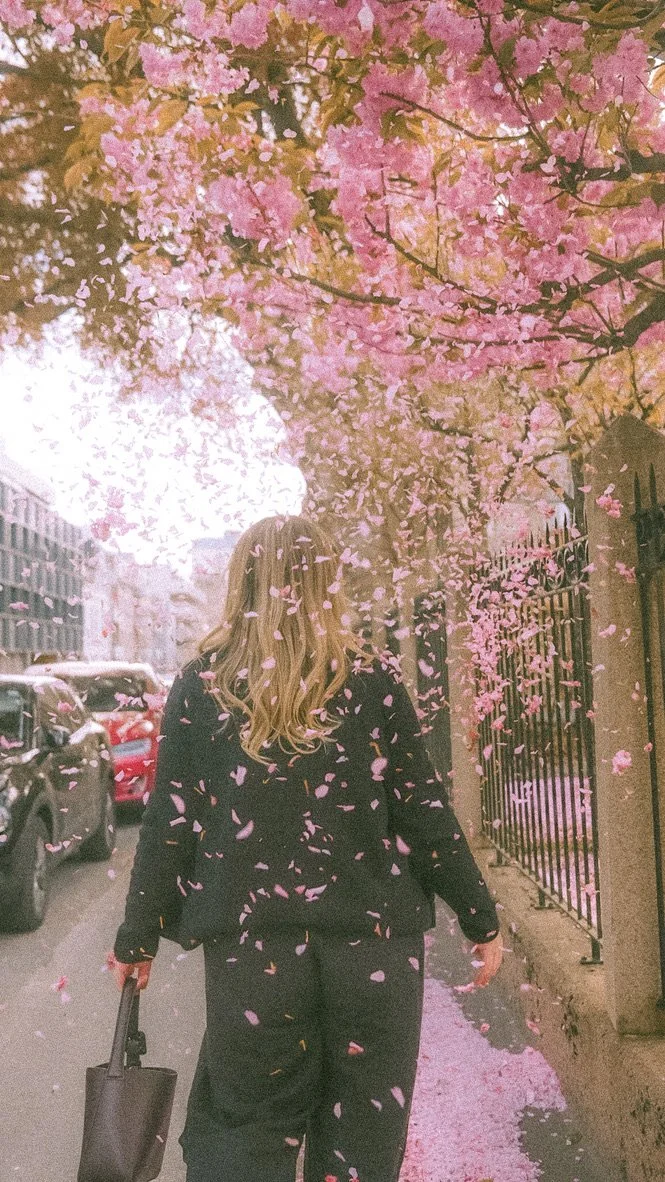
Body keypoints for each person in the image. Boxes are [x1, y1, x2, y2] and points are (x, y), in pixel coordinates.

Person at [110, 515, 503, 1182]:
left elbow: (168, 825)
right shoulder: (373, 681)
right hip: (372, 948)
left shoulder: (202, 687)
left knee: (248, 1132)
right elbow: (423, 811)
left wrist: (137, 938)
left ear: (241, 584)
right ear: (326, 584)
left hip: (253, 953)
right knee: (362, 1138)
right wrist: (479, 918)